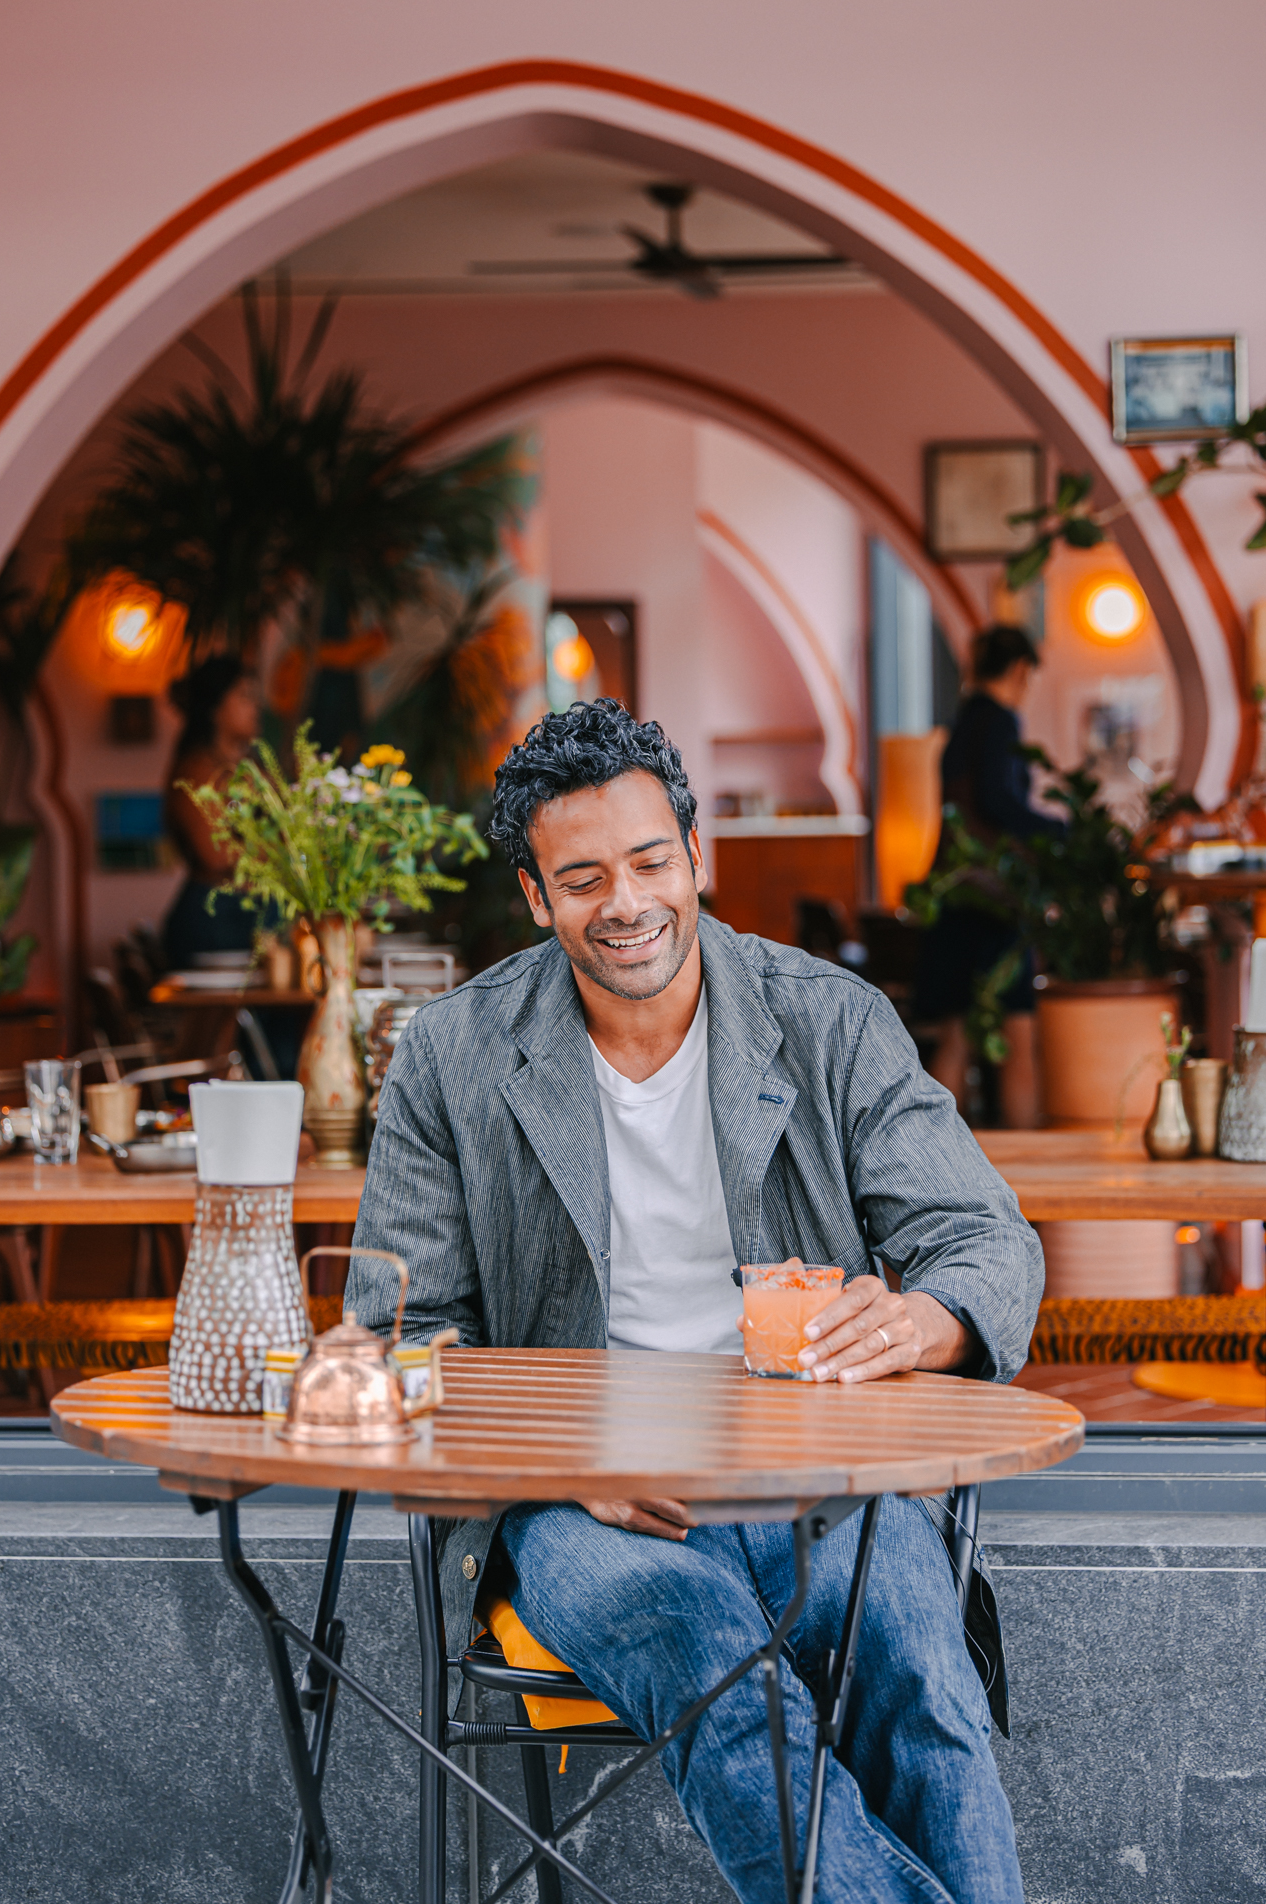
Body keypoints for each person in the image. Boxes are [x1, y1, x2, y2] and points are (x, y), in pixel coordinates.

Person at [350, 698, 1043, 1904]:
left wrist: (929, 1319)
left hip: (818, 1478)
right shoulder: (452, 1058)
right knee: (724, 1677)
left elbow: (986, 1238)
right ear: (534, 896)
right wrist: (564, 1459)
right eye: (581, 879)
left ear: (695, 853)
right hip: (576, 1504)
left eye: (649, 861)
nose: (625, 903)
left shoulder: (827, 1020)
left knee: (922, 1674)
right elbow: (395, 1338)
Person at [918, 625, 1061, 1130]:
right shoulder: (999, 722)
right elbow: (1000, 804)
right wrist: (1061, 831)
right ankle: (1031, 1184)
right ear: (1021, 669)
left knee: (958, 1032)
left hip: (957, 893)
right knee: (1018, 1033)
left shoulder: (962, 725)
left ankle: (930, 1174)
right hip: (994, 899)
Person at [161, 656, 268, 970]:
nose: (255, 707)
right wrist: (278, 854)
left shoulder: (253, 768)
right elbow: (217, 855)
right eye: (245, 697)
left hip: (254, 913)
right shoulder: (196, 773)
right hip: (213, 917)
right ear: (215, 707)